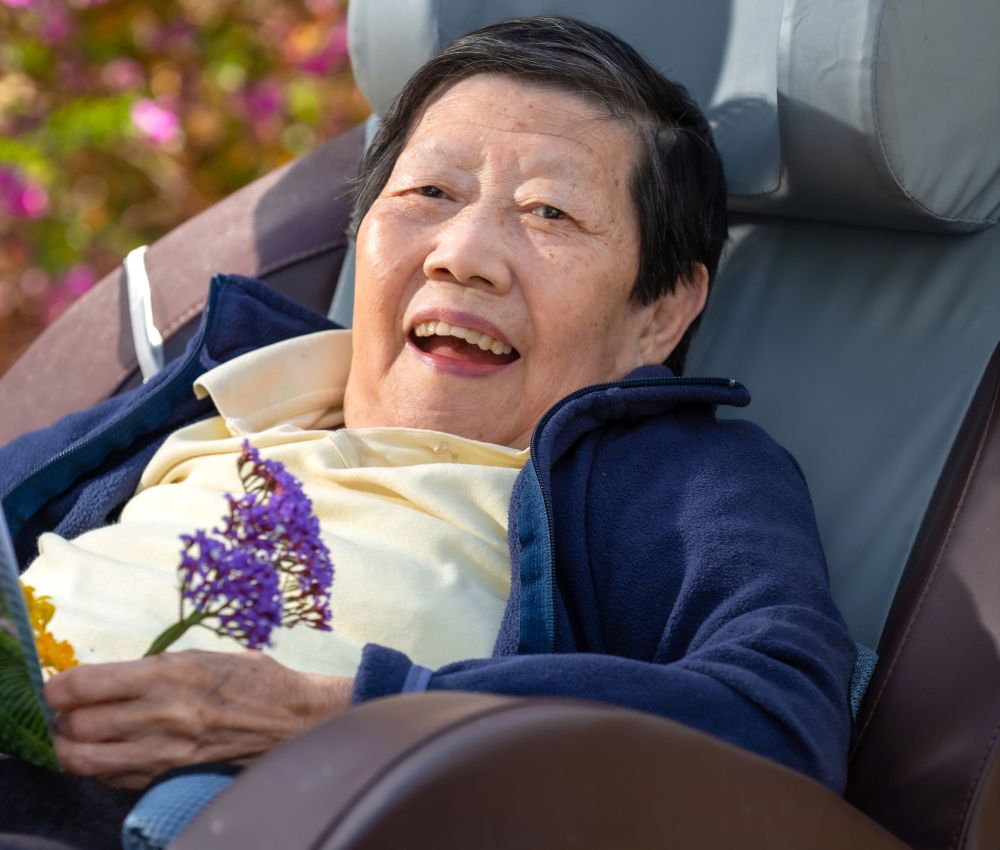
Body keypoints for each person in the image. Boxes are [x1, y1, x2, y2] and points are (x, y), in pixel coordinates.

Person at [0, 13, 855, 837]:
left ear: (660, 315)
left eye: (550, 214)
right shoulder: (217, 385)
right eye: (430, 192)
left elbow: (776, 728)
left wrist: (331, 715)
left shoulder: (672, 476)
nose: (462, 254)